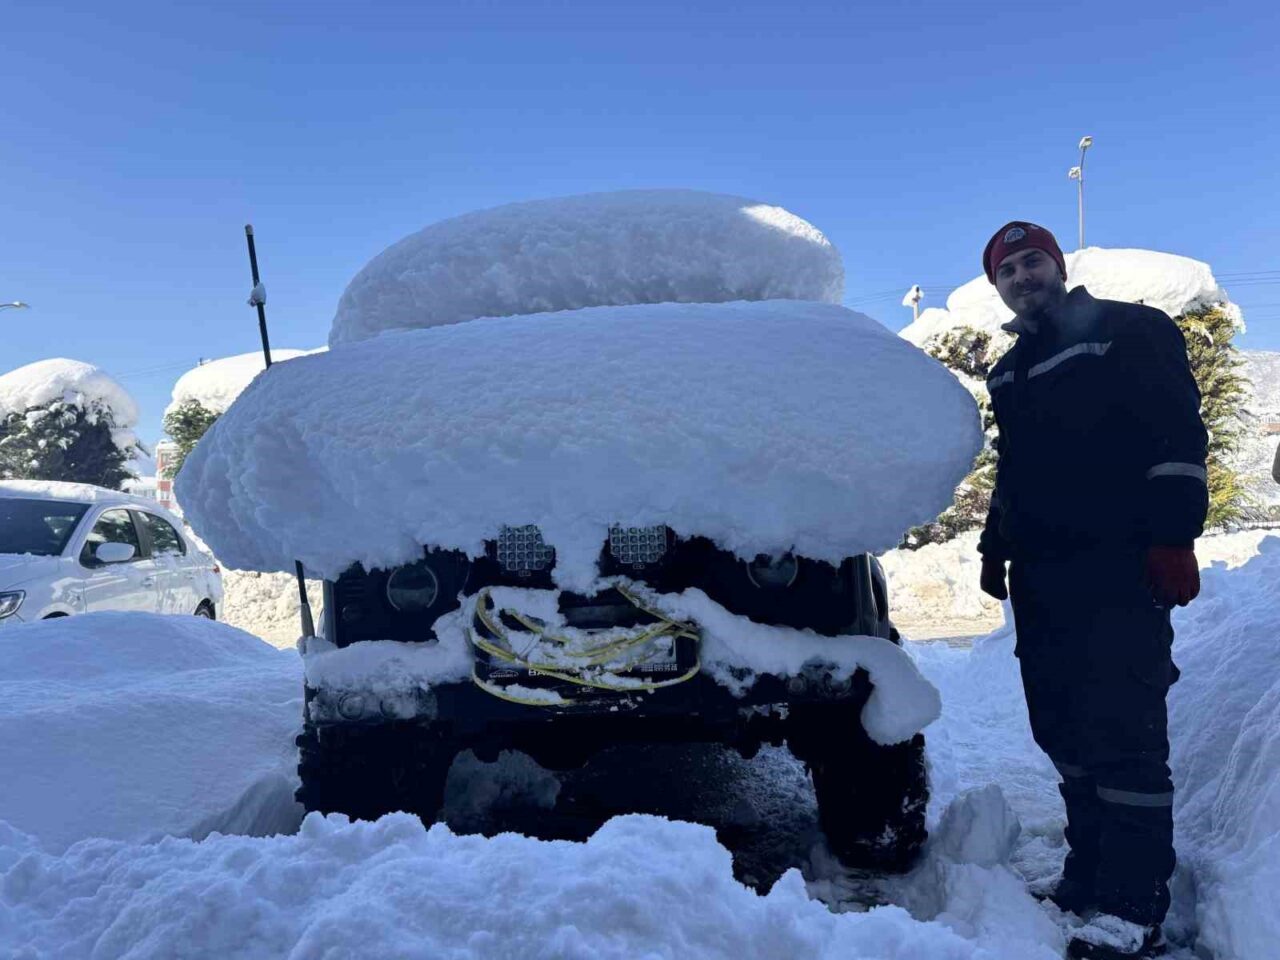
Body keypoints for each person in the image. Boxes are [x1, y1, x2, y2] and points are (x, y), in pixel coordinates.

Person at [976, 221, 1208, 960]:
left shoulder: (1127, 330)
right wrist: (993, 546)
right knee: (1064, 730)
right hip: (1042, 579)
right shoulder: (1009, 371)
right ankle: (1089, 874)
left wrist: (1173, 536)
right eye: (1007, 270)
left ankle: (1134, 905)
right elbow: (1013, 471)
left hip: (1119, 569)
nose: (1022, 276)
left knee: (1122, 733)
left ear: (1058, 264)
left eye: (1032, 261)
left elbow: (1176, 433)